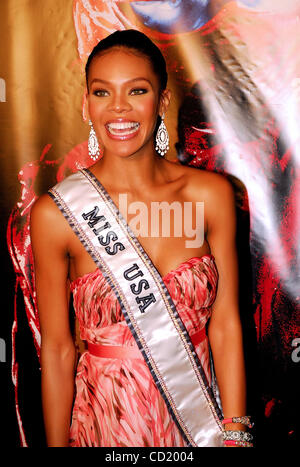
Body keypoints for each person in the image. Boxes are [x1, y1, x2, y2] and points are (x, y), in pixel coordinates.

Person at [30, 29, 251, 447]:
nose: (118, 108)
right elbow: (58, 350)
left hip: (199, 423)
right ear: (85, 104)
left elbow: (225, 324)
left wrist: (236, 434)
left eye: (136, 90)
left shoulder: (211, 195)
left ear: (162, 101)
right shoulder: (56, 213)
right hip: (106, 425)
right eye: (101, 92)